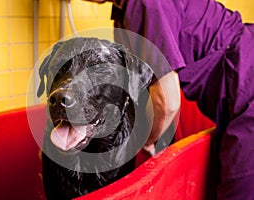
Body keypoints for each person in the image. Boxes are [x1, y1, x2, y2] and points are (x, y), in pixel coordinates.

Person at [85, 0, 254, 199]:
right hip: (238, 84)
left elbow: (167, 101)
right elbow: (139, 85)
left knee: (238, 189)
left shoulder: (145, 4)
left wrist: (148, 139)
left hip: (247, 79)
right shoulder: (123, 11)